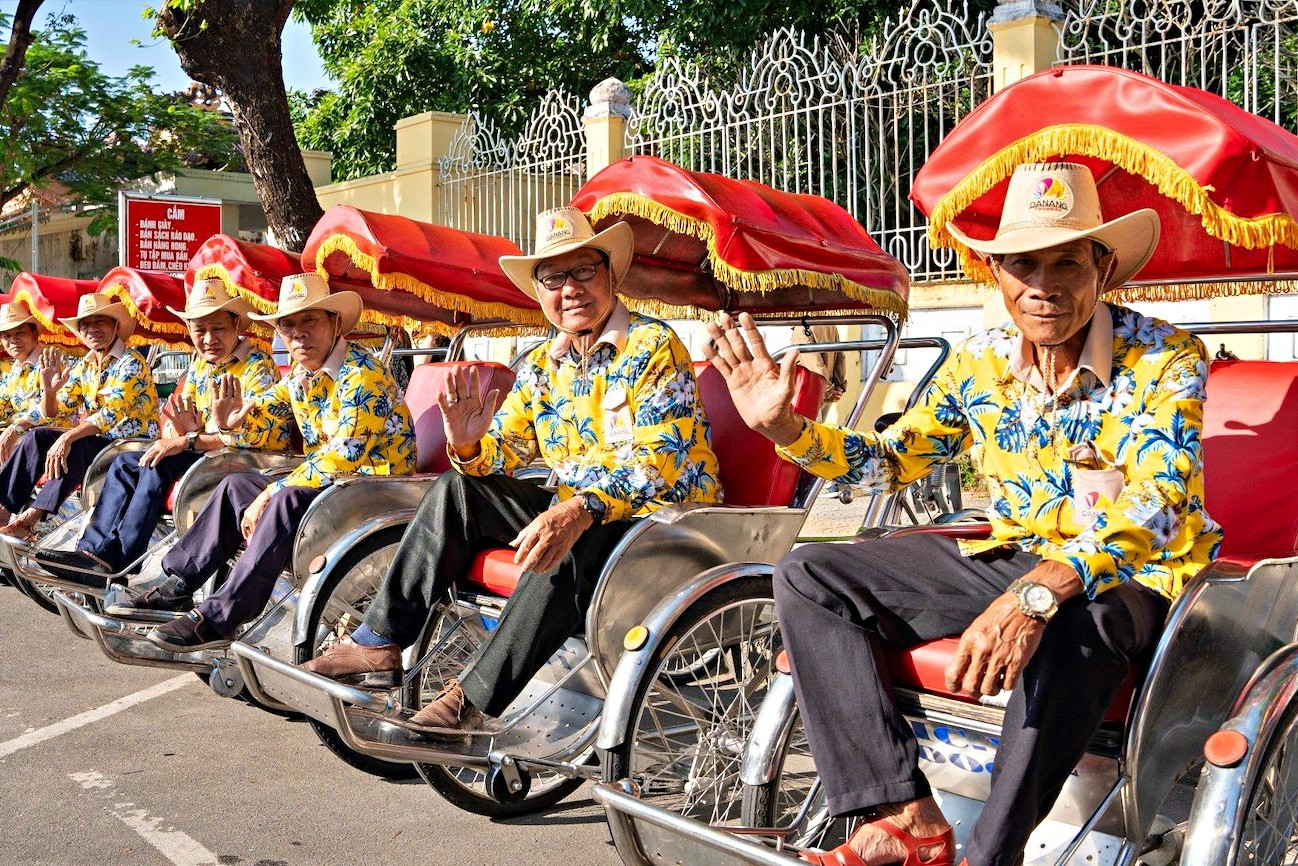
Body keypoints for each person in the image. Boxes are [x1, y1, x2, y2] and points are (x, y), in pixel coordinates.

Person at [704, 162, 1222, 866]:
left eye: (1067, 261)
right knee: (807, 575)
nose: (1043, 284)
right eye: (1023, 264)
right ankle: (904, 814)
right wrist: (787, 429)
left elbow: (1158, 504)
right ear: (998, 274)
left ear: (1103, 268)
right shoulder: (977, 364)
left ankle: (991, 855)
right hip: (1013, 554)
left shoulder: (1165, 357)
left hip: (1134, 575)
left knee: (1074, 629)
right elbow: (890, 461)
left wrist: (1036, 596)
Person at [302, 207, 722, 738]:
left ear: (611, 275)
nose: (569, 289)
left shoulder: (653, 346)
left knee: (569, 537)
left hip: (663, 521)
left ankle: (469, 699)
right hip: (581, 510)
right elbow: (499, 453)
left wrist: (579, 509)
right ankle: (379, 640)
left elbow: (662, 460)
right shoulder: (545, 363)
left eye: (583, 272)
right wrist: (466, 442)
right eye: (552, 278)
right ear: (539, 292)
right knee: (459, 489)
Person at [142, 273, 416, 650]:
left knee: (283, 499)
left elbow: (344, 455)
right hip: (333, 488)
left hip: (376, 491)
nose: (298, 333)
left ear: (335, 323)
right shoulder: (300, 376)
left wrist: (272, 489)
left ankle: (222, 617)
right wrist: (228, 421)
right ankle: (179, 583)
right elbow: (261, 424)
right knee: (237, 484)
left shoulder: (362, 375)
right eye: (288, 324)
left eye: (310, 321)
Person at [40, 279, 291, 587]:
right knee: (126, 464)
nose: (209, 339)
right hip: (203, 451)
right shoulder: (200, 365)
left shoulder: (257, 365)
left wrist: (186, 439)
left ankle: (121, 559)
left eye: (218, 329)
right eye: (200, 331)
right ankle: (93, 553)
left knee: (157, 464)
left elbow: (250, 436)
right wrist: (182, 432)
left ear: (236, 324)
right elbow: (186, 419)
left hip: (244, 459)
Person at [0, 293, 159, 541]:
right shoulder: (83, 367)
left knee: (78, 444)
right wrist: (49, 393)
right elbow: (55, 410)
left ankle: (30, 519)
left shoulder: (132, 362)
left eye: (100, 323)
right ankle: (4, 509)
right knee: (38, 436)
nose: (92, 330)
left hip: (131, 445)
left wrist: (67, 438)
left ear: (115, 326)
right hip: (99, 443)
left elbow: (110, 415)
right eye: (86, 325)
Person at [0, 301, 67, 464]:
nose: (13, 340)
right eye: (7, 336)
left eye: (20, 333)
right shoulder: (13, 369)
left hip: (47, 438)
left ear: (35, 334)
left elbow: (54, 411)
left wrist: (16, 427)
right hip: (19, 436)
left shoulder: (52, 361)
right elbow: (4, 407)